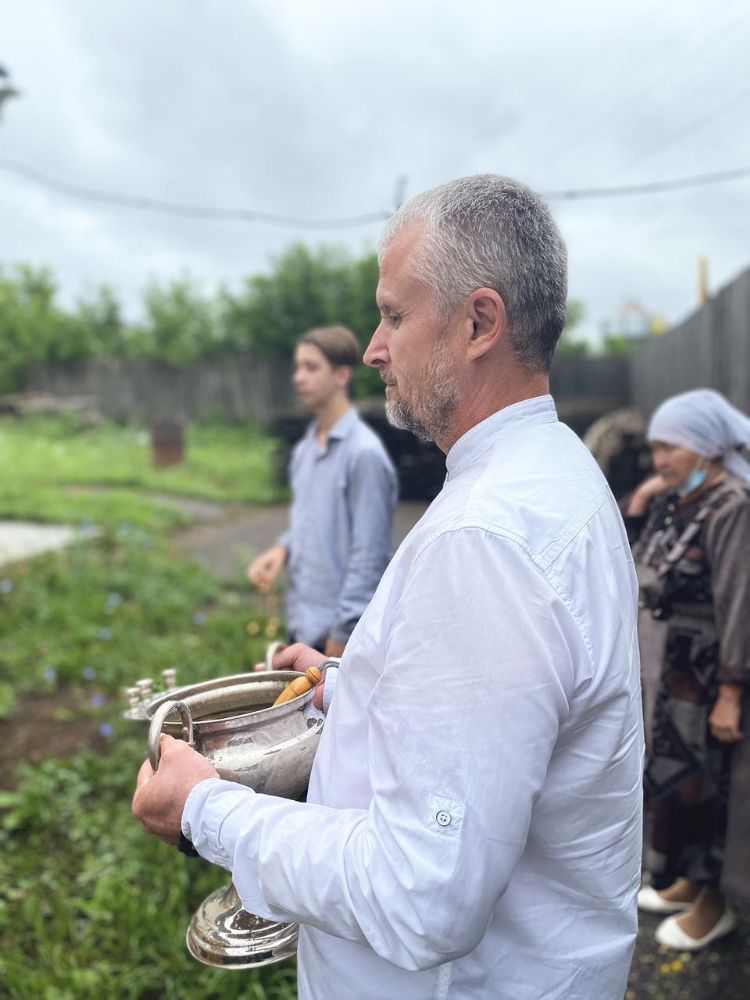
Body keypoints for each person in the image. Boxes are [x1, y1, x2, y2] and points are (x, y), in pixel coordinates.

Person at [133, 175, 644, 1000]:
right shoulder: (551, 474)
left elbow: (421, 897)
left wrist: (203, 810)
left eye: (394, 316)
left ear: (479, 323)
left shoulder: (486, 539)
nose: (374, 348)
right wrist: (357, 685)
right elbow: (512, 717)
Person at [625, 388, 750, 951]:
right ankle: (686, 882)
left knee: (709, 789)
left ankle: (713, 905)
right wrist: (641, 500)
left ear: (706, 446)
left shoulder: (733, 507)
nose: (660, 460)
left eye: (670, 447)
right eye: (655, 448)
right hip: (671, 679)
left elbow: (739, 601)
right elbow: (637, 565)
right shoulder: (681, 500)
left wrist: (731, 691)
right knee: (675, 785)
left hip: (704, 679)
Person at [247, 324, 397, 657]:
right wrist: (283, 549)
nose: (298, 377)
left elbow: (370, 557)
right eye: (297, 367)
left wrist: (341, 638)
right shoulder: (305, 450)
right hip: (302, 627)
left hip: (340, 638)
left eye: (311, 367)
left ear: (342, 375)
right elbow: (313, 521)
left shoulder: (364, 454)